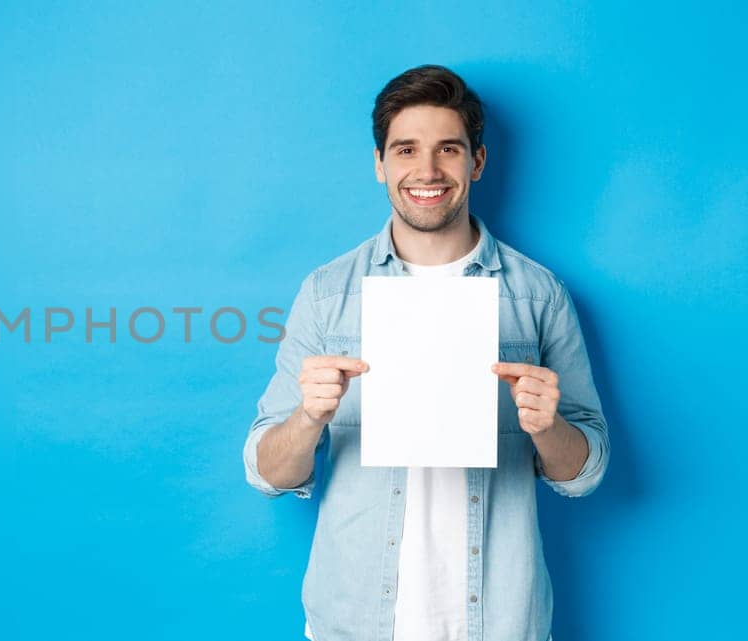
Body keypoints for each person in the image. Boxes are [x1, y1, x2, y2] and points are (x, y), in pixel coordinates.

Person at [242, 65, 609, 641]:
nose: (427, 170)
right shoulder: (326, 293)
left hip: (498, 621)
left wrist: (547, 427)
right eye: (406, 149)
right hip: (352, 620)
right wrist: (308, 416)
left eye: (449, 150)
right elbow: (267, 473)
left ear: (477, 162)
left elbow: (584, 472)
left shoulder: (538, 295)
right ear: (380, 164)